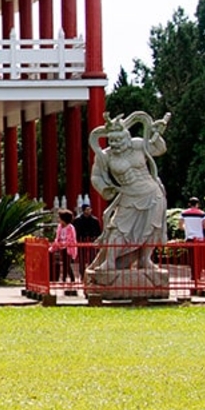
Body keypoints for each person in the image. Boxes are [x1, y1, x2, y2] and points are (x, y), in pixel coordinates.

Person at [87, 111, 169, 272]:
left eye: (119, 139)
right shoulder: (105, 156)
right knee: (117, 228)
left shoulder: (138, 145)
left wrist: (156, 134)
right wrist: (104, 189)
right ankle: (109, 261)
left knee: (152, 228)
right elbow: (95, 176)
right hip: (129, 194)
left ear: (127, 136)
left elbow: (159, 149)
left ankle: (145, 259)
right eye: (112, 140)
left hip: (152, 193)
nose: (116, 143)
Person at [49, 209, 78, 293]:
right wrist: (54, 246)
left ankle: (68, 279)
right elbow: (57, 237)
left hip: (68, 248)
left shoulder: (70, 228)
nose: (59, 220)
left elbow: (71, 239)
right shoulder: (59, 227)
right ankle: (67, 279)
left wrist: (64, 244)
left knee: (67, 264)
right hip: (61, 247)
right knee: (65, 264)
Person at [72, 204, 101, 271]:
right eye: (87, 209)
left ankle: (91, 270)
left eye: (90, 209)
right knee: (81, 258)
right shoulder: (78, 220)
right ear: (83, 210)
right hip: (81, 240)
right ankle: (82, 272)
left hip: (91, 240)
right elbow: (75, 231)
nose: (89, 211)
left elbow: (98, 231)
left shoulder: (95, 220)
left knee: (92, 256)